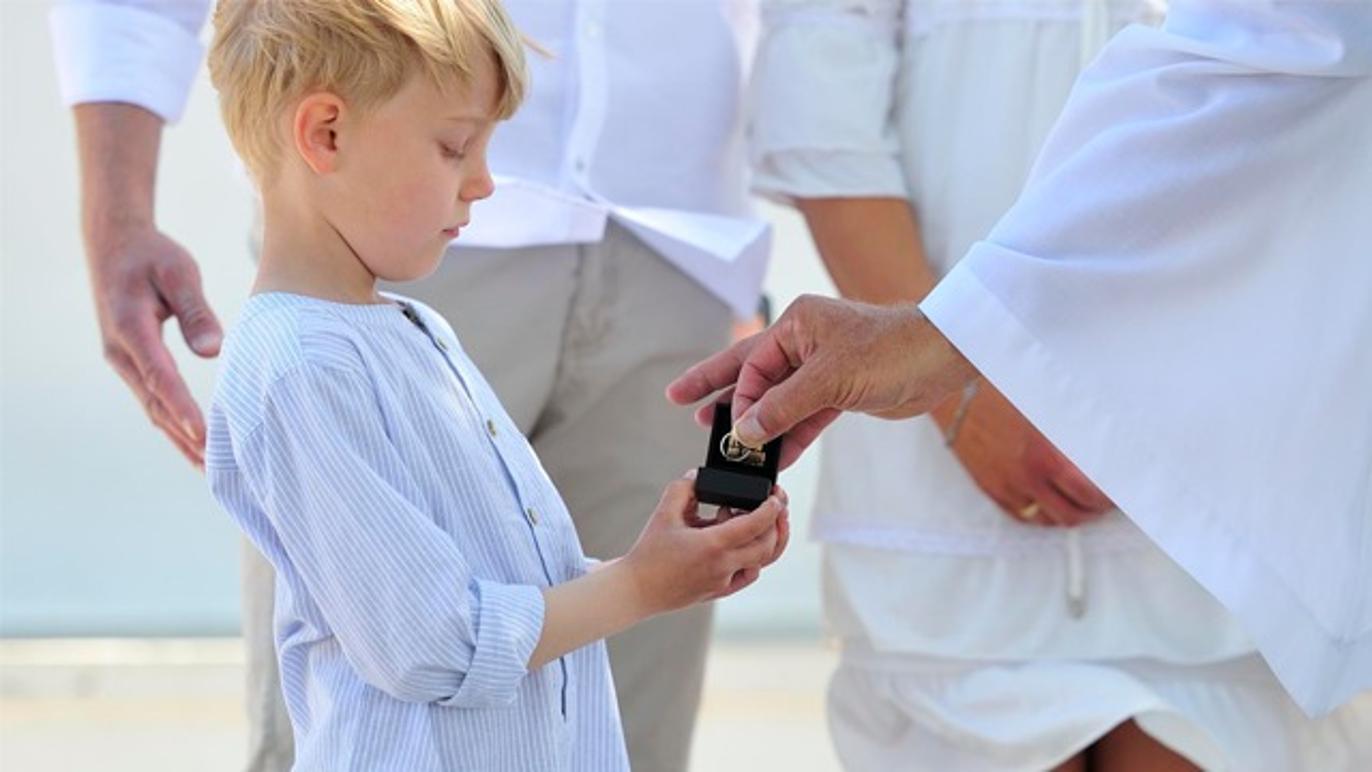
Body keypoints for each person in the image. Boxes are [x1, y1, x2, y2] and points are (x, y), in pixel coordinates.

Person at [50, 0, 768, 767]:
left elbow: (497, 582)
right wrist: (638, 586)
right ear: (326, 134)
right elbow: (432, 642)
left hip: (676, 240)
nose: (484, 183)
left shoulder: (414, 328)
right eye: (456, 147)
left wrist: (658, 566)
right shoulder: (303, 372)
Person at [670, 0, 1372, 728]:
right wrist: (962, 388)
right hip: (940, 483)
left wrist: (974, 351)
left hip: (1216, 457)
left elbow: (1294, 57)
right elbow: (821, 97)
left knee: (1217, 719)